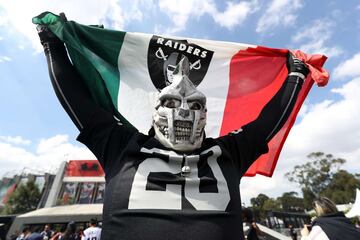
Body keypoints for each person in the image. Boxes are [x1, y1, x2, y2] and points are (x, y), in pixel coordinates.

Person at [37, 18, 309, 240]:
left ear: (204, 114)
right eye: (170, 102)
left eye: (193, 105)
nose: (182, 111)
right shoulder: (121, 146)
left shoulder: (227, 152)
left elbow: (267, 122)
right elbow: (77, 102)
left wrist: (296, 74)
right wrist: (52, 44)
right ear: (155, 110)